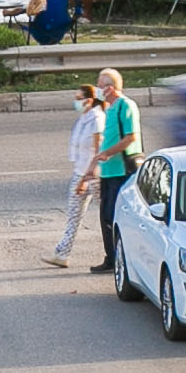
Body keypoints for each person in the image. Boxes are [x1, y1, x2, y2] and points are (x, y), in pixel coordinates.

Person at [90, 66, 141, 278]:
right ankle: (111, 258)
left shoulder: (125, 106)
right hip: (108, 172)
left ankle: (121, 259)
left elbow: (131, 137)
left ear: (110, 88)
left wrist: (107, 153)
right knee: (106, 217)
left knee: (115, 217)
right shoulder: (109, 109)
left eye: (100, 85)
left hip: (121, 171)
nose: (98, 89)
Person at [53, 83, 103, 261]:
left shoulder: (97, 119)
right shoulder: (83, 119)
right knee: (74, 216)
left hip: (94, 176)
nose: (76, 102)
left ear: (89, 100)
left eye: (79, 99)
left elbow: (98, 150)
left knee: (107, 217)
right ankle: (62, 254)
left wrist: (85, 178)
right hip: (80, 173)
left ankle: (116, 253)